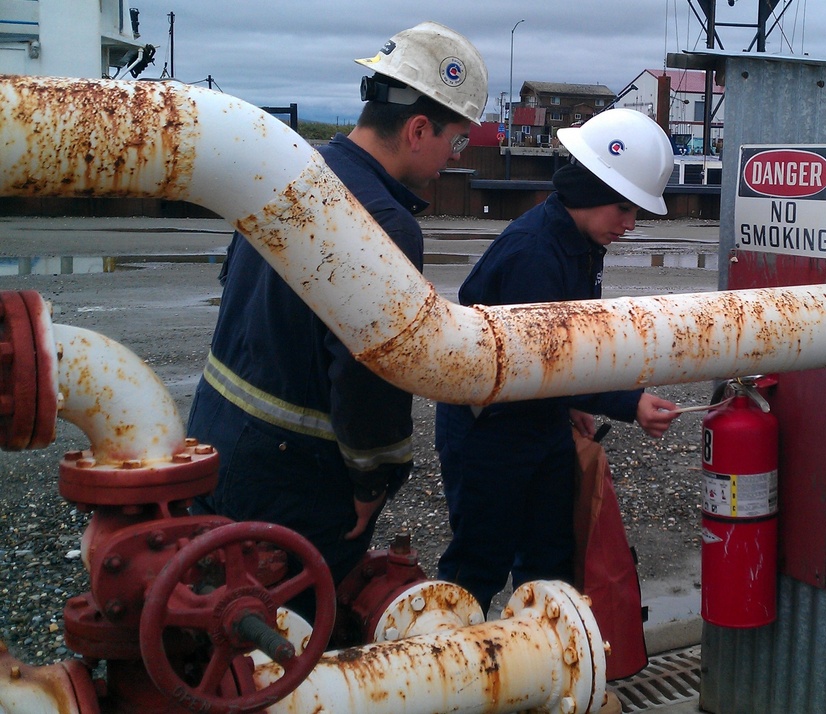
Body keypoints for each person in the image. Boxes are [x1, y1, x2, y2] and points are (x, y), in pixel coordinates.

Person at [186, 21, 488, 623]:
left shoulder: (292, 174)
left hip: (213, 440)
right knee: (288, 645)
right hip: (295, 478)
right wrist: (372, 481)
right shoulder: (382, 220)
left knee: (219, 624)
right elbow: (369, 374)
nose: (451, 162)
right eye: (455, 143)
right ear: (418, 129)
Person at [435, 108, 680, 614]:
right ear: (590, 192)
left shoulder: (579, 240)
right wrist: (627, 401)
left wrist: (569, 405)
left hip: (537, 420)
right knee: (479, 562)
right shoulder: (535, 254)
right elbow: (544, 362)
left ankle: (541, 670)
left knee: (548, 558)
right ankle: (448, 670)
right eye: (624, 208)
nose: (631, 224)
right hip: (490, 433)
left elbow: (569, 350)